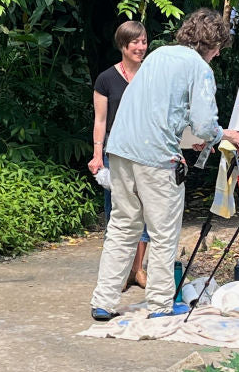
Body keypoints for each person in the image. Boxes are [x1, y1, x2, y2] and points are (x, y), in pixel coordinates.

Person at [89, 8, 239, 321]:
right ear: (213, 46)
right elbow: (204, 125)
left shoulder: (159, 54)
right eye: (218, 50)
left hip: (120, 149)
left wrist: (189, 134)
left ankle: (103, 302)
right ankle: (160, 304)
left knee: (122, 227)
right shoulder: (199, 68)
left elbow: (157, 109)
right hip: (156, 158)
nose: (217, 56)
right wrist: (227, 134)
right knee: (163, 232)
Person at [88, 21, 151, 289]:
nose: (140, 47)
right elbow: (100, 120)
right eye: (135, 42)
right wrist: (97, 154)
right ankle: (119, 272)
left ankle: (137, 270)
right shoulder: (106, 78)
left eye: (144, 41)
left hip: (148, 150)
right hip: (117, 151)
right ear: (123, 45)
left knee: (147, 210)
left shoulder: (152, 75)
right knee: (117, 211)